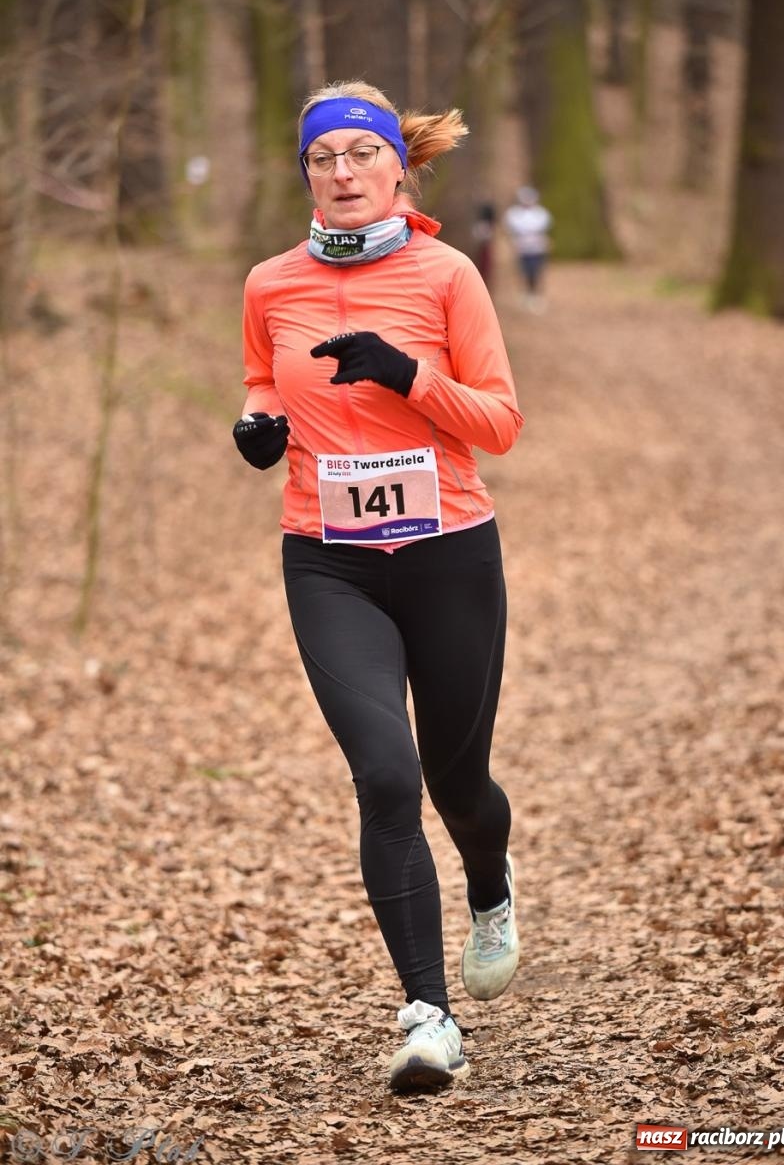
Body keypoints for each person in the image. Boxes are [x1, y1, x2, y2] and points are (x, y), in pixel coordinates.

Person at [232, 79, 524, 1094]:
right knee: (388, 777)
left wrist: (406, 376)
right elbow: (263, 383)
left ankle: (490, 882)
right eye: (324, 159)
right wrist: (258, 431)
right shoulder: (270, 283)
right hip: (329, 560)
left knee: (459, 786)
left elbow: (498, 422)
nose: (344, 174)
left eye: (361, 155)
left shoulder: (447, 274)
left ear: (399, 166)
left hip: (449, 553)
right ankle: (428, 1015)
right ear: (305, 174)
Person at [504, 185, 552, 311]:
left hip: (537, 248)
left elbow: (543, 229)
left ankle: (535, 294)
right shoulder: (515, 214)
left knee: (535, 271)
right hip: (523, 247)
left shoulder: (540, 213)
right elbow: (512, 229)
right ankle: (526, 294)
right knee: (524, 271)